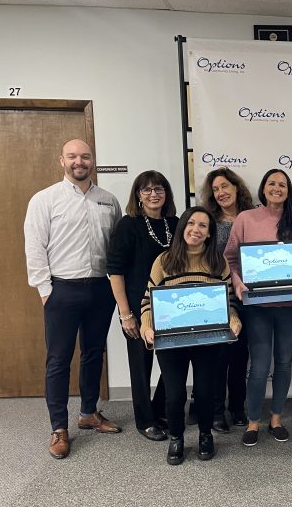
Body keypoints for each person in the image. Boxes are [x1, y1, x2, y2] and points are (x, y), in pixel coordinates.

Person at [24, 138, 123, 460]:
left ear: (92, 160)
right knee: (58, 360)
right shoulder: (45, 200)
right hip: (62, 290)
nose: (79, 161)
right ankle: (58, 428)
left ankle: (88, 413)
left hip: (100, 289)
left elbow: (116, 247)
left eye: (85, 156)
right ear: (62, 161)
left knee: (94, 353)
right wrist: (45, 290)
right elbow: (34, 247)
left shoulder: (109, 201)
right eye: (72, 156)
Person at [225, 169, 292, 447]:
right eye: (271, 183)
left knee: (284, 362)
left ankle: (276, 418)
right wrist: (237, 282)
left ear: (288, 191)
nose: (276, 188)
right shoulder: (245, 219)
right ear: (263, 188)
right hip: (257, 305)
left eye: (282, 184)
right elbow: (230, 259)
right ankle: (254, 421)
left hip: (291, 303)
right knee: (259, 365)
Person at [139, 206, 242, 465]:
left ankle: (206, 435)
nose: (196, 230)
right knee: (175, 394)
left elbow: (228, 301)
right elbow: (147, 302)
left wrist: (234, 320)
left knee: (205, 392)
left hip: (208, 339)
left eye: (203, 226)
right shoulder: (163, 261)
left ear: (209, 233)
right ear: (182, 227)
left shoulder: (218, 262)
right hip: (171, 340)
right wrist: (147, 327)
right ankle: (176, 437)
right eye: (191, 223)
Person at [106, 171, 177, 441]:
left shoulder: (175, 223)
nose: (153, 194)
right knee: (141, 366)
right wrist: (125, 314)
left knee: (173, 363)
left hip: (172, 307)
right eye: (146, 189)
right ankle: (145, 420)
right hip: (137, 308)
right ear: (138, 195)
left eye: (159, 188)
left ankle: (159, 410)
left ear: (166, 193)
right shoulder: (129, 225)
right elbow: (115, 271)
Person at [199, 168, 255, 432]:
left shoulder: (253, 216)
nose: (220, 193)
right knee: (219, 356)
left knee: (241, 355)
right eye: (215, 189)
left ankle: (237, 406)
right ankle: (216, 410)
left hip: (249, 297)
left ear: (236, 187)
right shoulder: (209, 221)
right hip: (219, 298)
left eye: (224, 186)